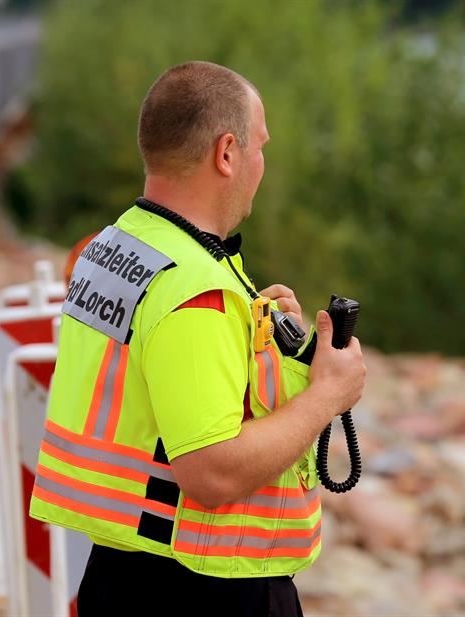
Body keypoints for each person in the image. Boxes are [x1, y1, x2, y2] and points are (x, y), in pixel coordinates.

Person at [29, 61, 366, 616]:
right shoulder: (195, 291)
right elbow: (212, 471)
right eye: (260, 146)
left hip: (123, 574)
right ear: (227, 153)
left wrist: (267, 349)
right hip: (207, 587)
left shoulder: (116, 247)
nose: (262, 164)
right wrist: (329, 394)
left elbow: (148, 388)